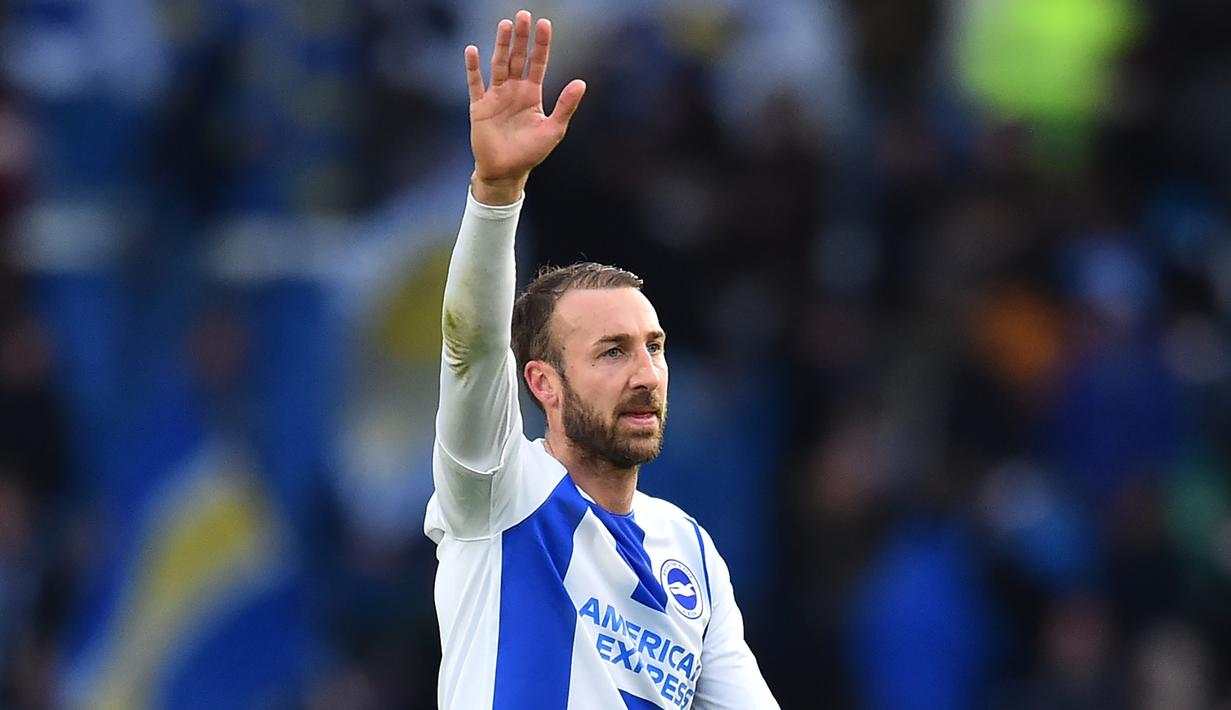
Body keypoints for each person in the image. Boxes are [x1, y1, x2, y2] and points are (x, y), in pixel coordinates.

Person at [424, 10, 780, 709]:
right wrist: (496, 196)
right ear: (543, 384)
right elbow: (469, 348)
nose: (645, 374)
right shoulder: (501, 490)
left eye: (653, 349)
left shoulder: (691, 554)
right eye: (611, 352)